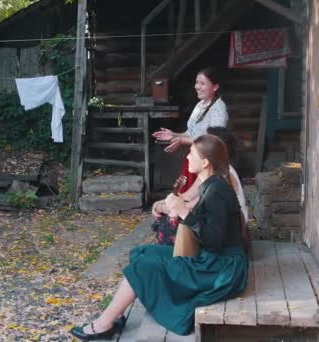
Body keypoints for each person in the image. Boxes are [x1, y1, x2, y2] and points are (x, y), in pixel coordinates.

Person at [70, 135, 248, 339]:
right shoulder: (211, 183)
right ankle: (116, 315)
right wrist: (176, 209)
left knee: (144, 265)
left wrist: (184, 213)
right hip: (214, 261)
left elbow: (214, 242)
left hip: (221, 269)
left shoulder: (217, 189)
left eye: (191, 154)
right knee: (142, 252)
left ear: (205, 162)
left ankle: (103, 325)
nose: (188, 158)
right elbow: (206, 225)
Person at [153, 67, 228, 193]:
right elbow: (190, 132)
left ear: (215, 87)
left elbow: (212, 141)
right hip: (195, 159)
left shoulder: (219, 109)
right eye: (197, 82)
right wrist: (173, 135)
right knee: (185, 195)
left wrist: (182, 141)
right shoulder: (200, 105)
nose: (197, 87)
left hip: (207, 164)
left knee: (198, 197)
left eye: (202, 83)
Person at [152, 126, 248, 225]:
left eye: (193, 153)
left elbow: (191, 207)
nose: (188, 156)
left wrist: (161, 207)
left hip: (228, 233)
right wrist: (160, 202)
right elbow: (186, 197)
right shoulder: (209, 170)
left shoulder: (223, 177)